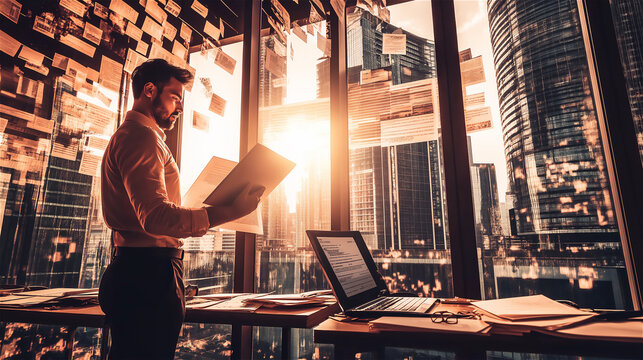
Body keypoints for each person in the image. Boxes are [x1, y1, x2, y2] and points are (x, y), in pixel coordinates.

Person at [98, 59, 264, 359]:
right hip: (147, 277)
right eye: (174, 97)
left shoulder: (141, 138)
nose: (180, 108)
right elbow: (156, 217)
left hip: (142, 273)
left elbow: (151, 213)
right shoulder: (141, 137)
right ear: (149, 90)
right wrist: (230, 211)